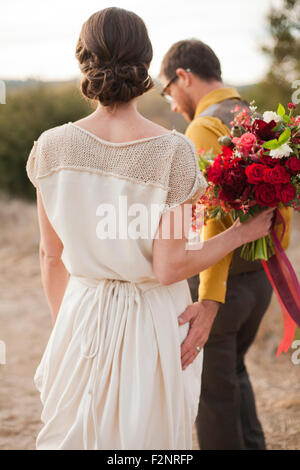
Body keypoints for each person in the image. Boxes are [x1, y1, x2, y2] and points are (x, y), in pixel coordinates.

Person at [26, 10, 274, 450]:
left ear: (84, 60)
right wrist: (239, 233)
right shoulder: (173, 151)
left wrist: (67, 324)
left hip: (80, 312)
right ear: (145, 62)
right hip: (151, 322)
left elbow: (51, 255)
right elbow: (169, 266)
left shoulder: (50, 147)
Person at [159, 39, 292, 450]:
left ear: (184, 76)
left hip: (224, 285)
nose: (170, 103)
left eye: (168, 91)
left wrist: (209, 298)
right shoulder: (252, 116)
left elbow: (211, 216)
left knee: (212, 396)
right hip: (262, 278)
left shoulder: (202, 127)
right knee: (233, 373)